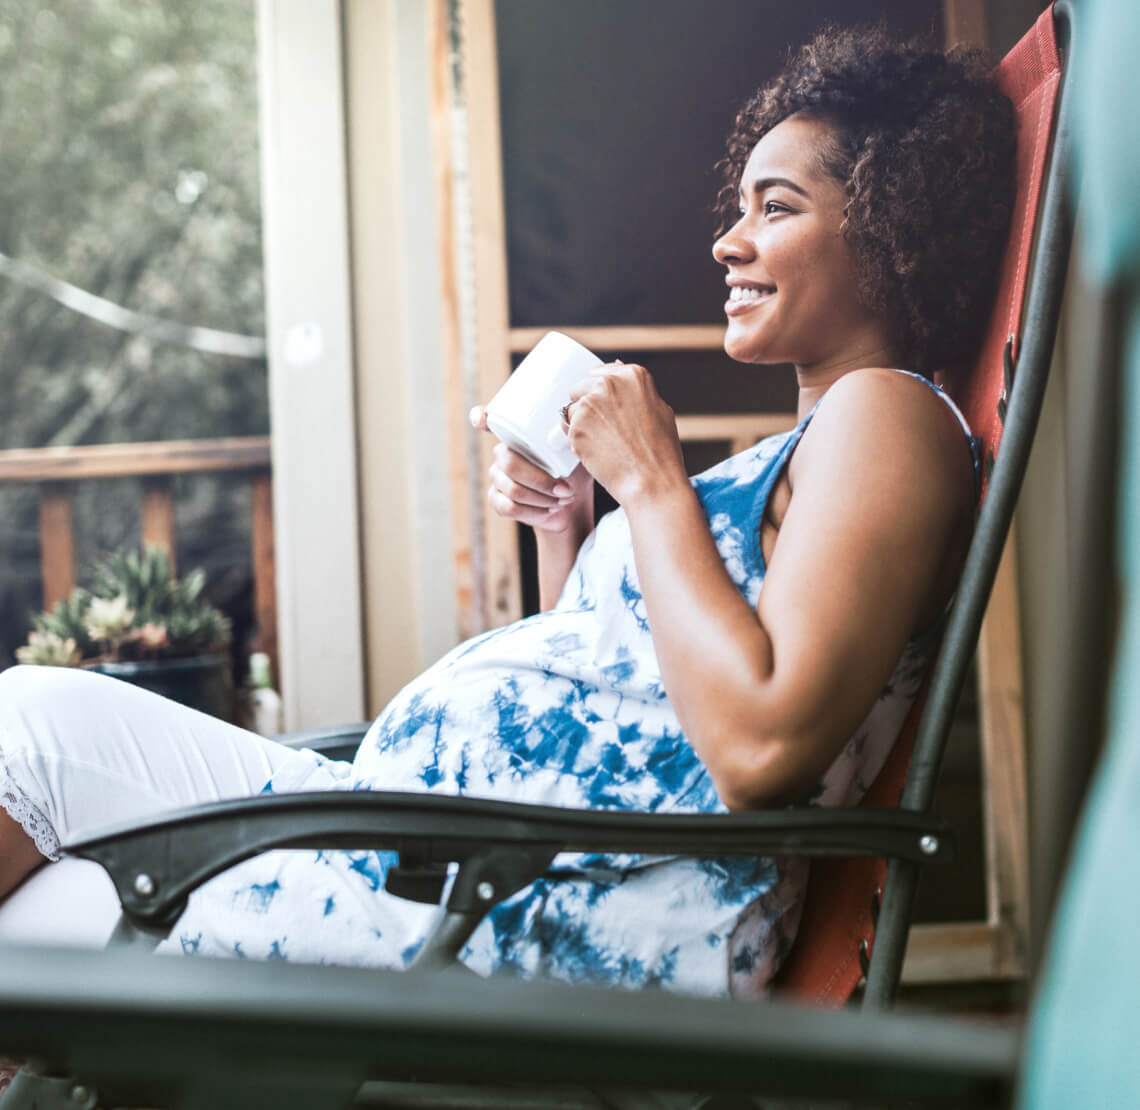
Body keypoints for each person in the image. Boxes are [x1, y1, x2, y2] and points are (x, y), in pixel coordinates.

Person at [0, 26, 1015, 997]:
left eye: (776, 208)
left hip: (542, 909)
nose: (727, 240)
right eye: (739, 207)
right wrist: (572, 524)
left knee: (42, 921)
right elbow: (631, 701)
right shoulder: (814, 442)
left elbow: (759, 752)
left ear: (892, 229)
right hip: (443, 850)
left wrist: (653, 483)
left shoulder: (887, 417)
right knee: (31, 721)